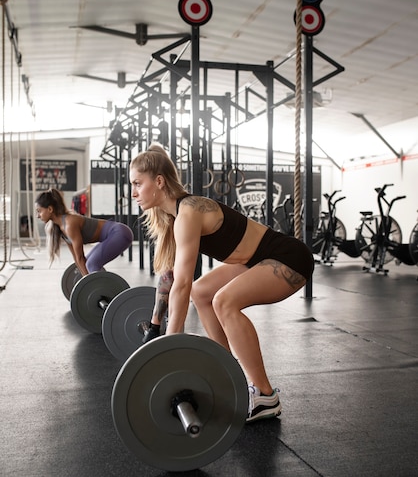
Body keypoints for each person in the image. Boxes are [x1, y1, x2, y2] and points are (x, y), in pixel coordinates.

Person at [130, 144, 315, 422]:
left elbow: (181, 283)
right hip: (256, 259)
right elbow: (173, 279)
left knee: (224, 301)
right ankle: (229, 374)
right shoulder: (175, 217)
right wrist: (157, 322)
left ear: (158, 181)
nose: (133, 193)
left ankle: (265, 396)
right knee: (203, 293)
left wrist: (170, 344)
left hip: (288, 258)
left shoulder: (188, 212)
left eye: (137, 184)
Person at [35, 188, 134, 276]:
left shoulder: (69, 223)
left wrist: (87, 283)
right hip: (114, 234)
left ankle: (112, 294)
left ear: (50, 209)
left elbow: (80, 257)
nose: (37, 216)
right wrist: (85, 283)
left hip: (119, 233)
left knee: (92, 264)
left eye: (39, 211)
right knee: (89, 264)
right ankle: (106, 291)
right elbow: (77, 260)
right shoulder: (60, 229)